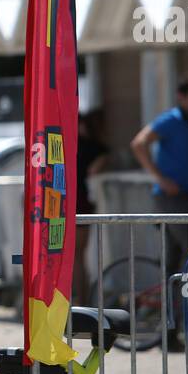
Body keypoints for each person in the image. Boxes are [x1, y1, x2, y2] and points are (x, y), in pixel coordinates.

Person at [129, 75, 188, 272]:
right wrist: (159, 178)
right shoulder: (171, 120)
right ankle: (182, 300)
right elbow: (139, 143)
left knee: (174, 259)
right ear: (181, 97)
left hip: (185, 197)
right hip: (170, 198)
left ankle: (167, 300)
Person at [73, 109, 109, 300]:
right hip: (82, 203)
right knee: (79, 258)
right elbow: (99, 162)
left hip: (61, 205)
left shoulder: (58, 145)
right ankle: (82, 299)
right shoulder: (91, 147)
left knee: (66, 258)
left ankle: (72, 300)